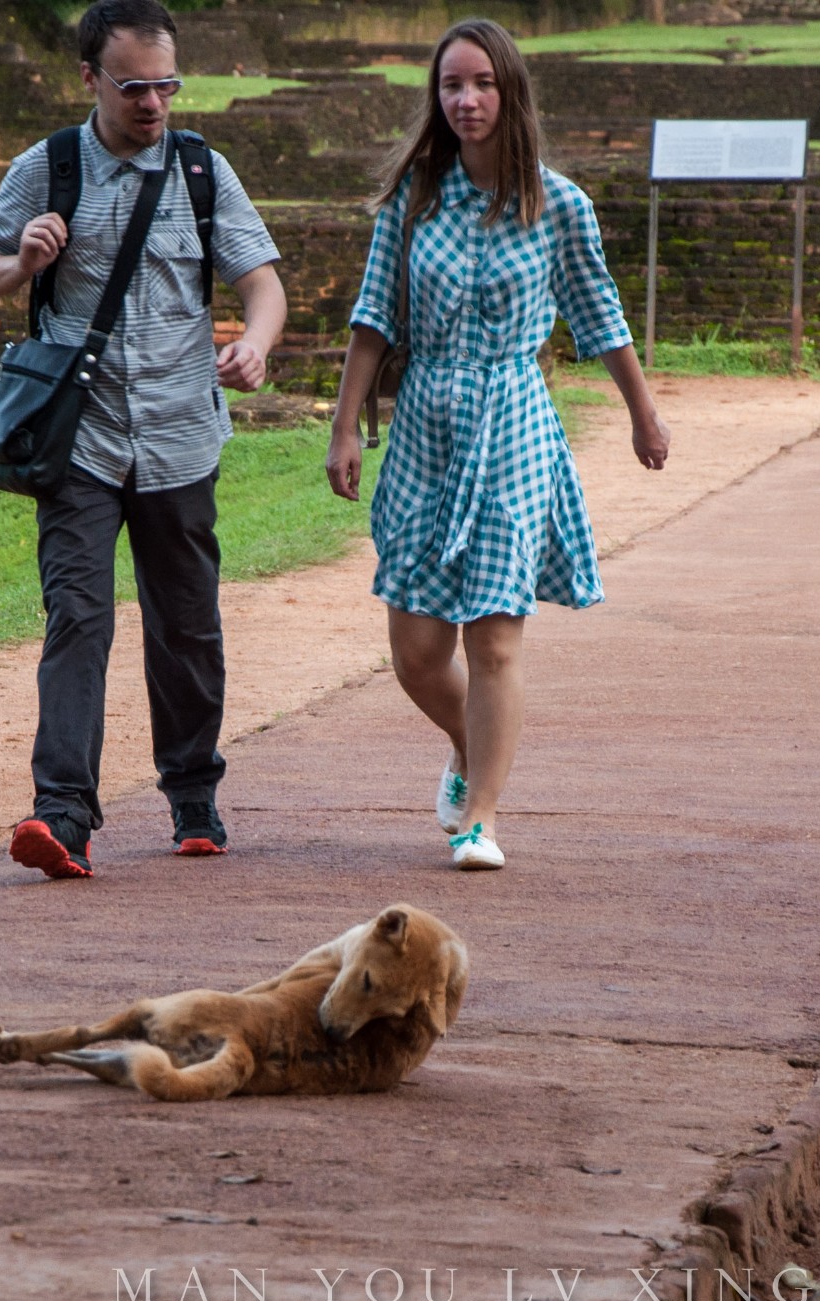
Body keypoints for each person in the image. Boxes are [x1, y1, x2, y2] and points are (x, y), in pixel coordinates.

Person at [325, 19, 669, 872]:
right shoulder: (414, 201)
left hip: (513, 422)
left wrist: (642, 412)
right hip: (426, 426)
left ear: (510, 92)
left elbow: (600, 317)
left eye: (481, 84)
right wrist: (344, 425)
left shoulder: (560, 205)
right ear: (436, 100)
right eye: (451, 86)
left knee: (494, 642)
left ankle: (479, 818)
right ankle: (468, 744)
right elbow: (374, 319)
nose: (466, 99)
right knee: (415, 652)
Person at [0, 0, 289, 878]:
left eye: (165, 85)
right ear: (89, 79)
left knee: (187, 625)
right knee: (78, 617)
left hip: (182, 437)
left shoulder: (202, 171)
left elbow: (262, 282)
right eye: (133, 85)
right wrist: (21, 261)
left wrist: (255, 341)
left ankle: (193, 797)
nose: (153, 103)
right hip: (81, 442)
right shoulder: (49, 168)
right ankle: (61, 816)